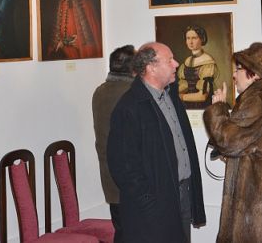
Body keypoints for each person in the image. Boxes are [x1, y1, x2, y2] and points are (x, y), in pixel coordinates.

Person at [107, 42, 206, 243]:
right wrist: (149, 204)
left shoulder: (171, 96)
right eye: (169, 60)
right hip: (154, 206)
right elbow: (124, 167)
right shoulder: (129, 107)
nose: (176, 64)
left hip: (181, 193)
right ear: (151, 67)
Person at [204, 42, 262, 243]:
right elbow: (248, 148)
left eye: (238, 69)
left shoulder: (259, 101)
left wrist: (218, 109)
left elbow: (228, 141)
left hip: (257, 220)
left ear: (254, 74)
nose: (234, 75)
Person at [92, 44, 136, 242]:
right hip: (132, 181)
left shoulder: (99, 92)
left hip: (110, 178)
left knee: (121, 230)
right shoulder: (131, 94)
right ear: (133, 69)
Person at [178, 25, 218, 109]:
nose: (190, 42)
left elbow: (202, 96)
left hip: (203, 107)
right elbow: (183, 87)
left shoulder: (207, 62)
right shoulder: (187, 61)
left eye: (194, 38)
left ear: (202, 39)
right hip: (187, 106)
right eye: (188, 38)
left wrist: (181, 97)